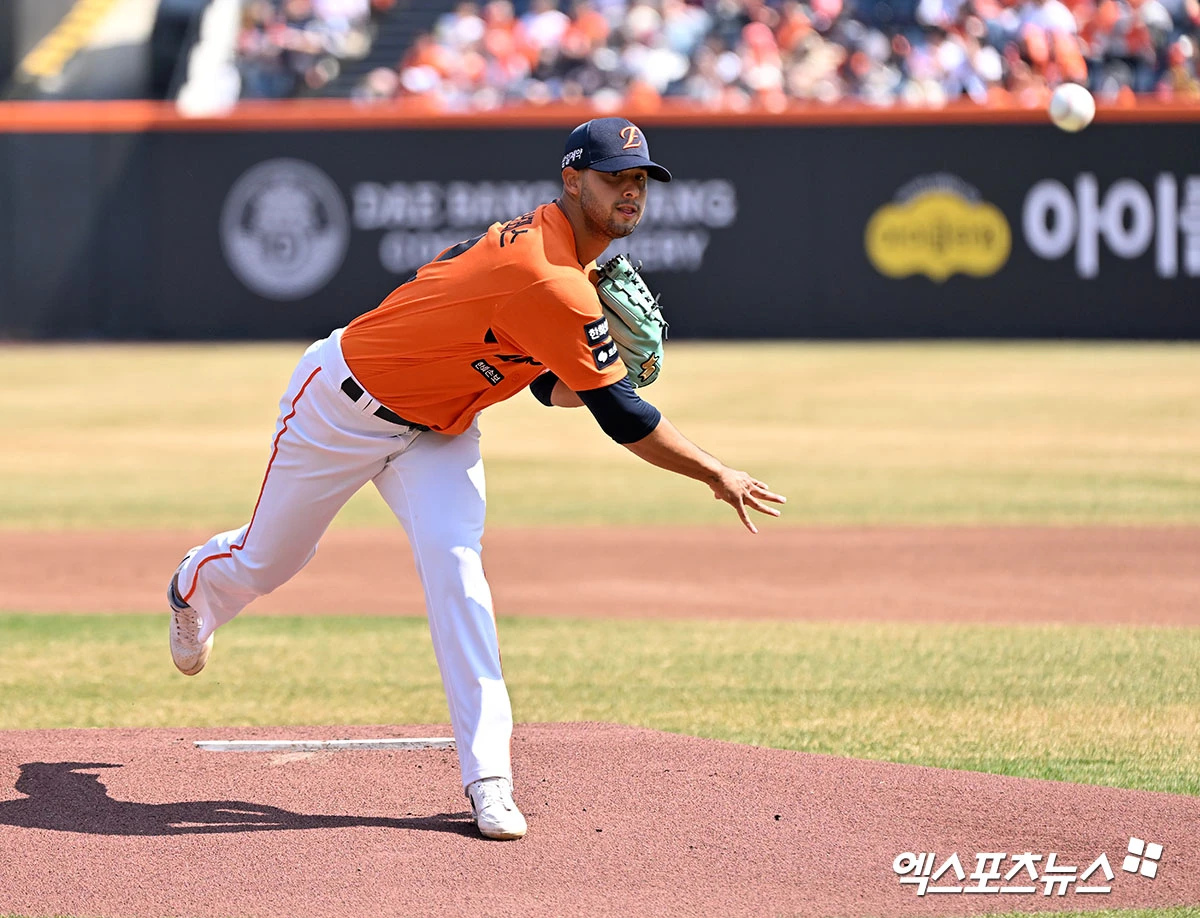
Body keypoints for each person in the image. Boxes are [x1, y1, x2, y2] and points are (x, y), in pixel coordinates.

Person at [166, 116, 786, 841]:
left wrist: (598, 371)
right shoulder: (549, 277)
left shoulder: (566, 271)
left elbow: (544, 386)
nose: (631, 191)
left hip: (440, 431)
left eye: (640, 179)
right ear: (572, 180)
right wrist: (715, 472)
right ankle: (193, 584)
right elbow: (622, 417)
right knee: (270, 561)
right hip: (341, 407)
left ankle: (489, 777)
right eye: (614, 177)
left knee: (458, 574)